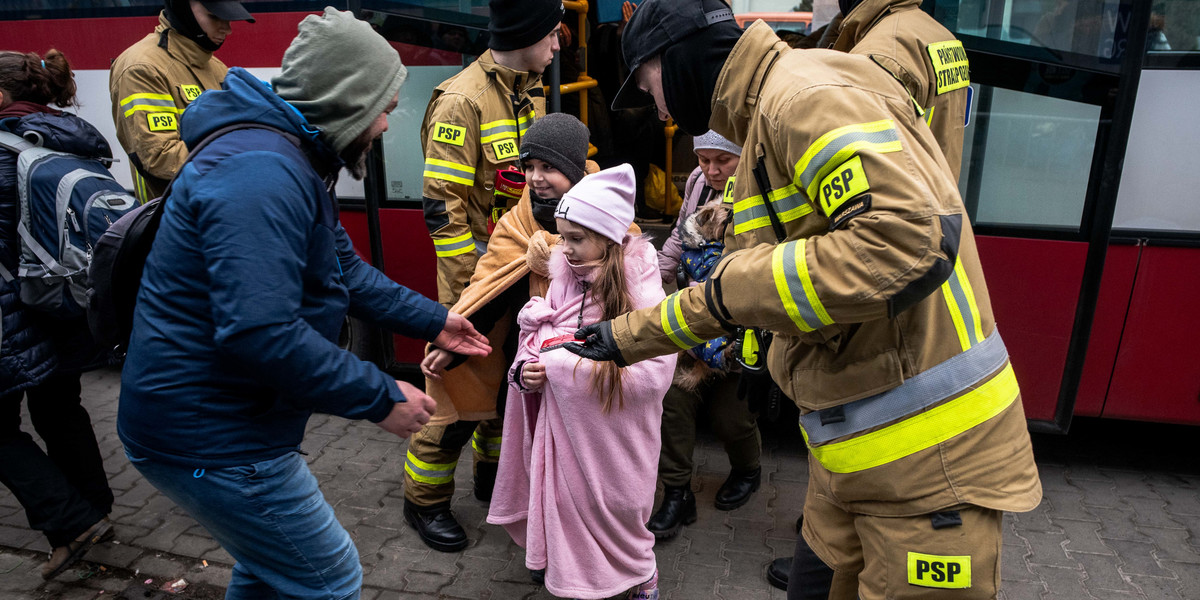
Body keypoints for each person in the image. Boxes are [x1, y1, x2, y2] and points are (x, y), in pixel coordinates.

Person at [570, 1, 1043, 599]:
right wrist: (626, 337)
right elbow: (736, 293)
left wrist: (743, 283)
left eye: (649, 83)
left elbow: (907, 240)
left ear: (683, 59)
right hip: (851, 456)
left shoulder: (801, 99)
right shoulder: (771, 117)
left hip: (927, 468)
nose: (657, 107)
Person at [116, 9, 490, 598]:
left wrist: (436, 320)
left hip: (223, 420)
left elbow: (345, 271)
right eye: (383, 108)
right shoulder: (261, 172)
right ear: (347, 100)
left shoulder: (288, 157)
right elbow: (261, 333)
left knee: (273, 569)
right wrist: (381, 396)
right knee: (329, 574)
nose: (388, 124)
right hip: (211, 434)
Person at [766, 0, 975, 587]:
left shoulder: (883, 48)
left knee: (851, 428)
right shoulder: (934, 36)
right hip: (929, 244)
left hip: (878, 274)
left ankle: (830, 556)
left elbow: (861, 165)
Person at [406, 0, 563, 552]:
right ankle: (423, 501)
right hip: (476, 285)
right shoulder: (461, 102)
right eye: (552, 33)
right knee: (456, 401)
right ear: (527, 32)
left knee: (504, 391)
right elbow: (442, 209)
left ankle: (491, 481)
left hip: (521, 277)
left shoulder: (532, 90)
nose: (558, 45)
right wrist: (473, 293)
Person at [487, 164, 676, 600]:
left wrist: (556, 365)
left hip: (618, 447)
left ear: (609, 239)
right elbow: (535, 343)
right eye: (561, 237)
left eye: (576, 238)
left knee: (620, 514)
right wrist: (528, 371)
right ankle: (579, 584)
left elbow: (652, 374)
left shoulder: (643, 292)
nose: (565, 249)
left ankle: (640, 575)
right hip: (565, 438)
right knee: (567, 515)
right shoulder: (563, 277)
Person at [412, 112, 596, 556]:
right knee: (459, 414)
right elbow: (491, 283)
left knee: (526, 427)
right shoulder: (519, 220)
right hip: (503, 342)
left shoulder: (607, 211)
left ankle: (500, 486)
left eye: (546, 168)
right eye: (529, 167)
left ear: (572, 168)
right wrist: (452, 346)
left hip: (569, 357)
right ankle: (424, 504)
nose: (534, 178)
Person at [0, 48, 116, 582]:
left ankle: (71, 521)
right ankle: (96, 508)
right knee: (60, 408)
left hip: (10, 313)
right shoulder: (69, 136)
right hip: (63, 300)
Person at [647, 129, 763, 540]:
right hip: (696, 313)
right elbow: (681, 235)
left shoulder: (762, 185)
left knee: (730, 419)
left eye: (722, 161)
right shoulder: (698, 183)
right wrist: (654, 280)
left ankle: (749, 471)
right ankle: (677, 493)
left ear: (743, 156)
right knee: (673, 398)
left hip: (744, 322)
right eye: (702, 159)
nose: (710, 171)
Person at [109, 0, 254, 202]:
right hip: (171, 222)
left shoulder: (216, 66)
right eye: (214, 16)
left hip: (218, 209)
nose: (227, 29)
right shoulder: (142, 68)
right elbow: (159, 157)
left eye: (228, 19)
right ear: (182, 9)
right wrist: (241, 153)